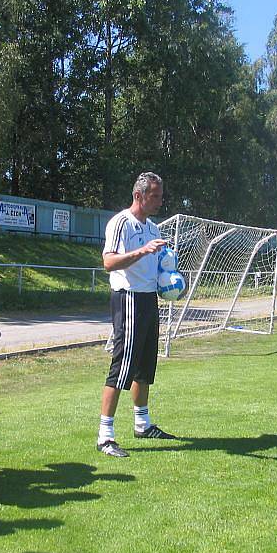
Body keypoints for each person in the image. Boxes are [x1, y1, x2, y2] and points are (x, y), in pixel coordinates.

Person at [97, 172, 176, 458]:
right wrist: (143, 251)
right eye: (154, 196)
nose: (159, 201)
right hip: (127, 298)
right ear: (138, 196)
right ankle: (105, 435)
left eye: (160, 196)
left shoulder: (154, 229)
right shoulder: (121, 223)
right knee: (123, 365)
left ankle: (142, 424)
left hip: (148, 300)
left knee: (144, 366)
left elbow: (156, 268)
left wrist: (171, 279)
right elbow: (108, 262)